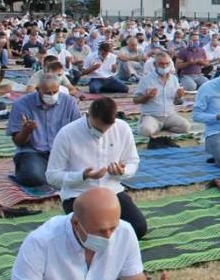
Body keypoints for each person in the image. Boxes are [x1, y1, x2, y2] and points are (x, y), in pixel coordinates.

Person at [5, 187, 188, 280]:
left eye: (112, 228)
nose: (109, 237)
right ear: (76, 224)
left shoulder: (124, 232)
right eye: (100, 231)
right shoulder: (40, 243)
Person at [46, 97, 147, 239]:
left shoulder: (122, 128)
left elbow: (132, 161)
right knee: (88, 234)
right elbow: (52, 176)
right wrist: (82, 176)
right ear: (88, 115)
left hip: (112, 191)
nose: (102, 134)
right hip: (78, 193)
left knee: (138, 228)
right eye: (98, 129)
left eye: (107, 129)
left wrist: (122, 172)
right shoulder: (67, 133)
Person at [7, 74, 82, 187]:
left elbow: (78, 132)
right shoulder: (22, 104)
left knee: (88, 172)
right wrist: (26, 131)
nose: (52, 95)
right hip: (33, 152)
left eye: (55, 92)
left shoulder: (69, 102)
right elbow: (18, 142)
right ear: (38, 90)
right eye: (47, 93)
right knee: (34, 177)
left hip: (63, 153)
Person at [133, 53, 191, 149]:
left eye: (167, 63)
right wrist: (146, 96)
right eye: (161, 64)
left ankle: (160, 127)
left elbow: (176, 102)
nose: (164, 66)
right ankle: (152, 125)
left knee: (186, 127)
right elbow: (135, 100)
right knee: (146, 131)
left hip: (169, 115)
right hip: (152, 115)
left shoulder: (173, 79)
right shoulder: (146, 79)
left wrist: (179, 96)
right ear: (155, 64)